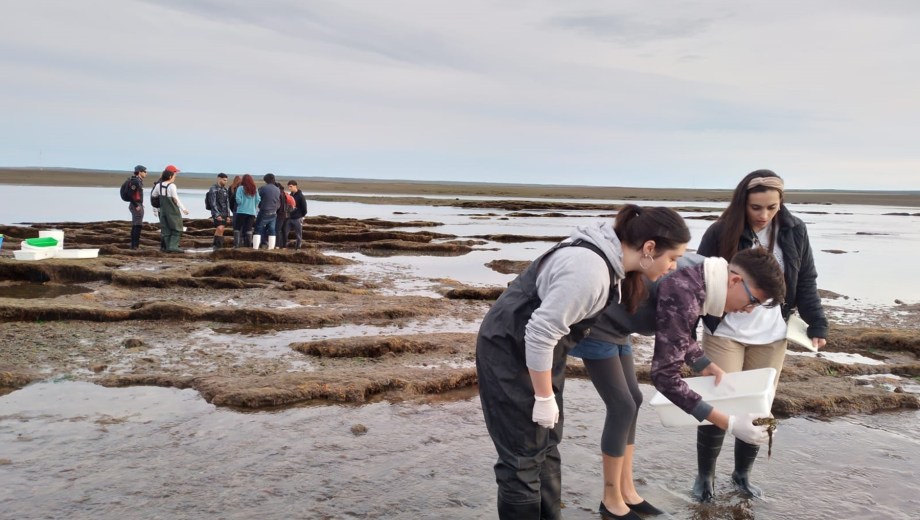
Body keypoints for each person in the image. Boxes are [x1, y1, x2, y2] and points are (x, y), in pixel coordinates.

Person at [476, 205, 690, 520]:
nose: (673, 267)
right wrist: (544, 396)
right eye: (672, 258)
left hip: (544, 354)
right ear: (649, 248)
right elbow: (538, 334)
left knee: (546, 445)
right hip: (510, 349)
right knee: (522, 459)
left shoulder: (614, 266)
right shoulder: (588, 270)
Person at [691, 169, 828, 501]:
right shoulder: (720, 232)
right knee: (720, 400)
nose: (764, 215)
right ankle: (705, 477)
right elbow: (700, 278)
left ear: (781, 203)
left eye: (771, 207)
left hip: (772, 334)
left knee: (758, 407)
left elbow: (806, 279)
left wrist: (817, 323)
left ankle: (742, 476)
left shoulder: (795, 231)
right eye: (756, 208)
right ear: (743, 203)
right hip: (726, 330)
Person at [650, 247, 787, 503]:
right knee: (623, 405)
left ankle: (623, 494)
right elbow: (664, 378)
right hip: (599, 328)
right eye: (753, 302)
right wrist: (731, 424)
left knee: (625, 405)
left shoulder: (704, 279)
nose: (749, 311)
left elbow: (677, 330)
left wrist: (702, 362)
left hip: (613, 329)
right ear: (735, 280)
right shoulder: (688, 289)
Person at [150, 165, 188, 253]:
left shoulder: (158, 185)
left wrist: (156, 209)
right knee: (177, 228)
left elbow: (153, 196)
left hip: (163, 210)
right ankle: (173, 247)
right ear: (170, 176)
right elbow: (176, 199)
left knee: (165, 229)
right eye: (174, 175)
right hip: (172, 210)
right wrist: (184, 209)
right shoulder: (172, 186)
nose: (175, 176)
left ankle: (166, 247)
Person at [253, 173, 281, 249]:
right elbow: (278, 202)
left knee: (258, 228)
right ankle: (271, 248)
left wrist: (259, 207)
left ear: (265, 180)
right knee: (272, 229)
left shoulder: (263, 188)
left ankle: (255, 247)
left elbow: (258, 199)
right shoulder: (277, 189)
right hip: (274, 212)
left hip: (264, 211)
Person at [233, 174, 260, 248]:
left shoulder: (240, 188)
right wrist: (253, 206)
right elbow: (258, 199)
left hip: (241, 211)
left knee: (237, 228)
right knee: (249, 228)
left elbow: (238, 200)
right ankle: (248, 245)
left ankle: (236, 245)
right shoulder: (254, 188)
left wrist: (242, 203)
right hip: (252, 212)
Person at [207, 173, 231, 250]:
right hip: (217, 213)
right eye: (224, 180)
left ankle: (217, 246)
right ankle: (217, 246)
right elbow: (212, 203)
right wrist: (217, 214)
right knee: (220, 228)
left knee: (221, 229)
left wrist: (228, 215)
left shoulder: (225, 190)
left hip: (224, 213)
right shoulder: (213, 189)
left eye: (226, 180)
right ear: (219, 179)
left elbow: (227, 203)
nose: (225, 182)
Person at [127, 165, 147, 250]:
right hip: (136, 206)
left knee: (136, 225)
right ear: (139, 172)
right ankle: (135, 246)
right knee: (137, 225)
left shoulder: (138, 181)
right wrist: (136, 205)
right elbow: (130, 195)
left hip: (138, 204)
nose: (146, 173)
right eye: (144, 171)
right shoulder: (135, 181)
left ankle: (134, 246)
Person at [284, 180, 308, 249]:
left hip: (297, 218)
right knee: (285, 232)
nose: (289, 188)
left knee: (298, 234)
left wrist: (300, 216)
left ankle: (298, 248)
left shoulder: (301, 196)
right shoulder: (290, 196)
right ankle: (284, 246)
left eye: (291, 186)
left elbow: (304, 208)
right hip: (289, 218)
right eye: (288, 187)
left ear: (295, 186)